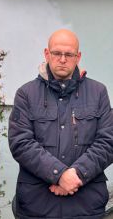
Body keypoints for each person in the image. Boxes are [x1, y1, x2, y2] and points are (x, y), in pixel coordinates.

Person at [8, 29, 113, 219]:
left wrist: (77, 174)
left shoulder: (98, 93)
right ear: (47, 54)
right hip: (37, 205)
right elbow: (21, 143)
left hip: (86, 205)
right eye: (57, 53)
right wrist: (59, 174)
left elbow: (108, 142)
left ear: (78, 57)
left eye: (69, 54)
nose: (62, 59)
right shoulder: (26, 94)